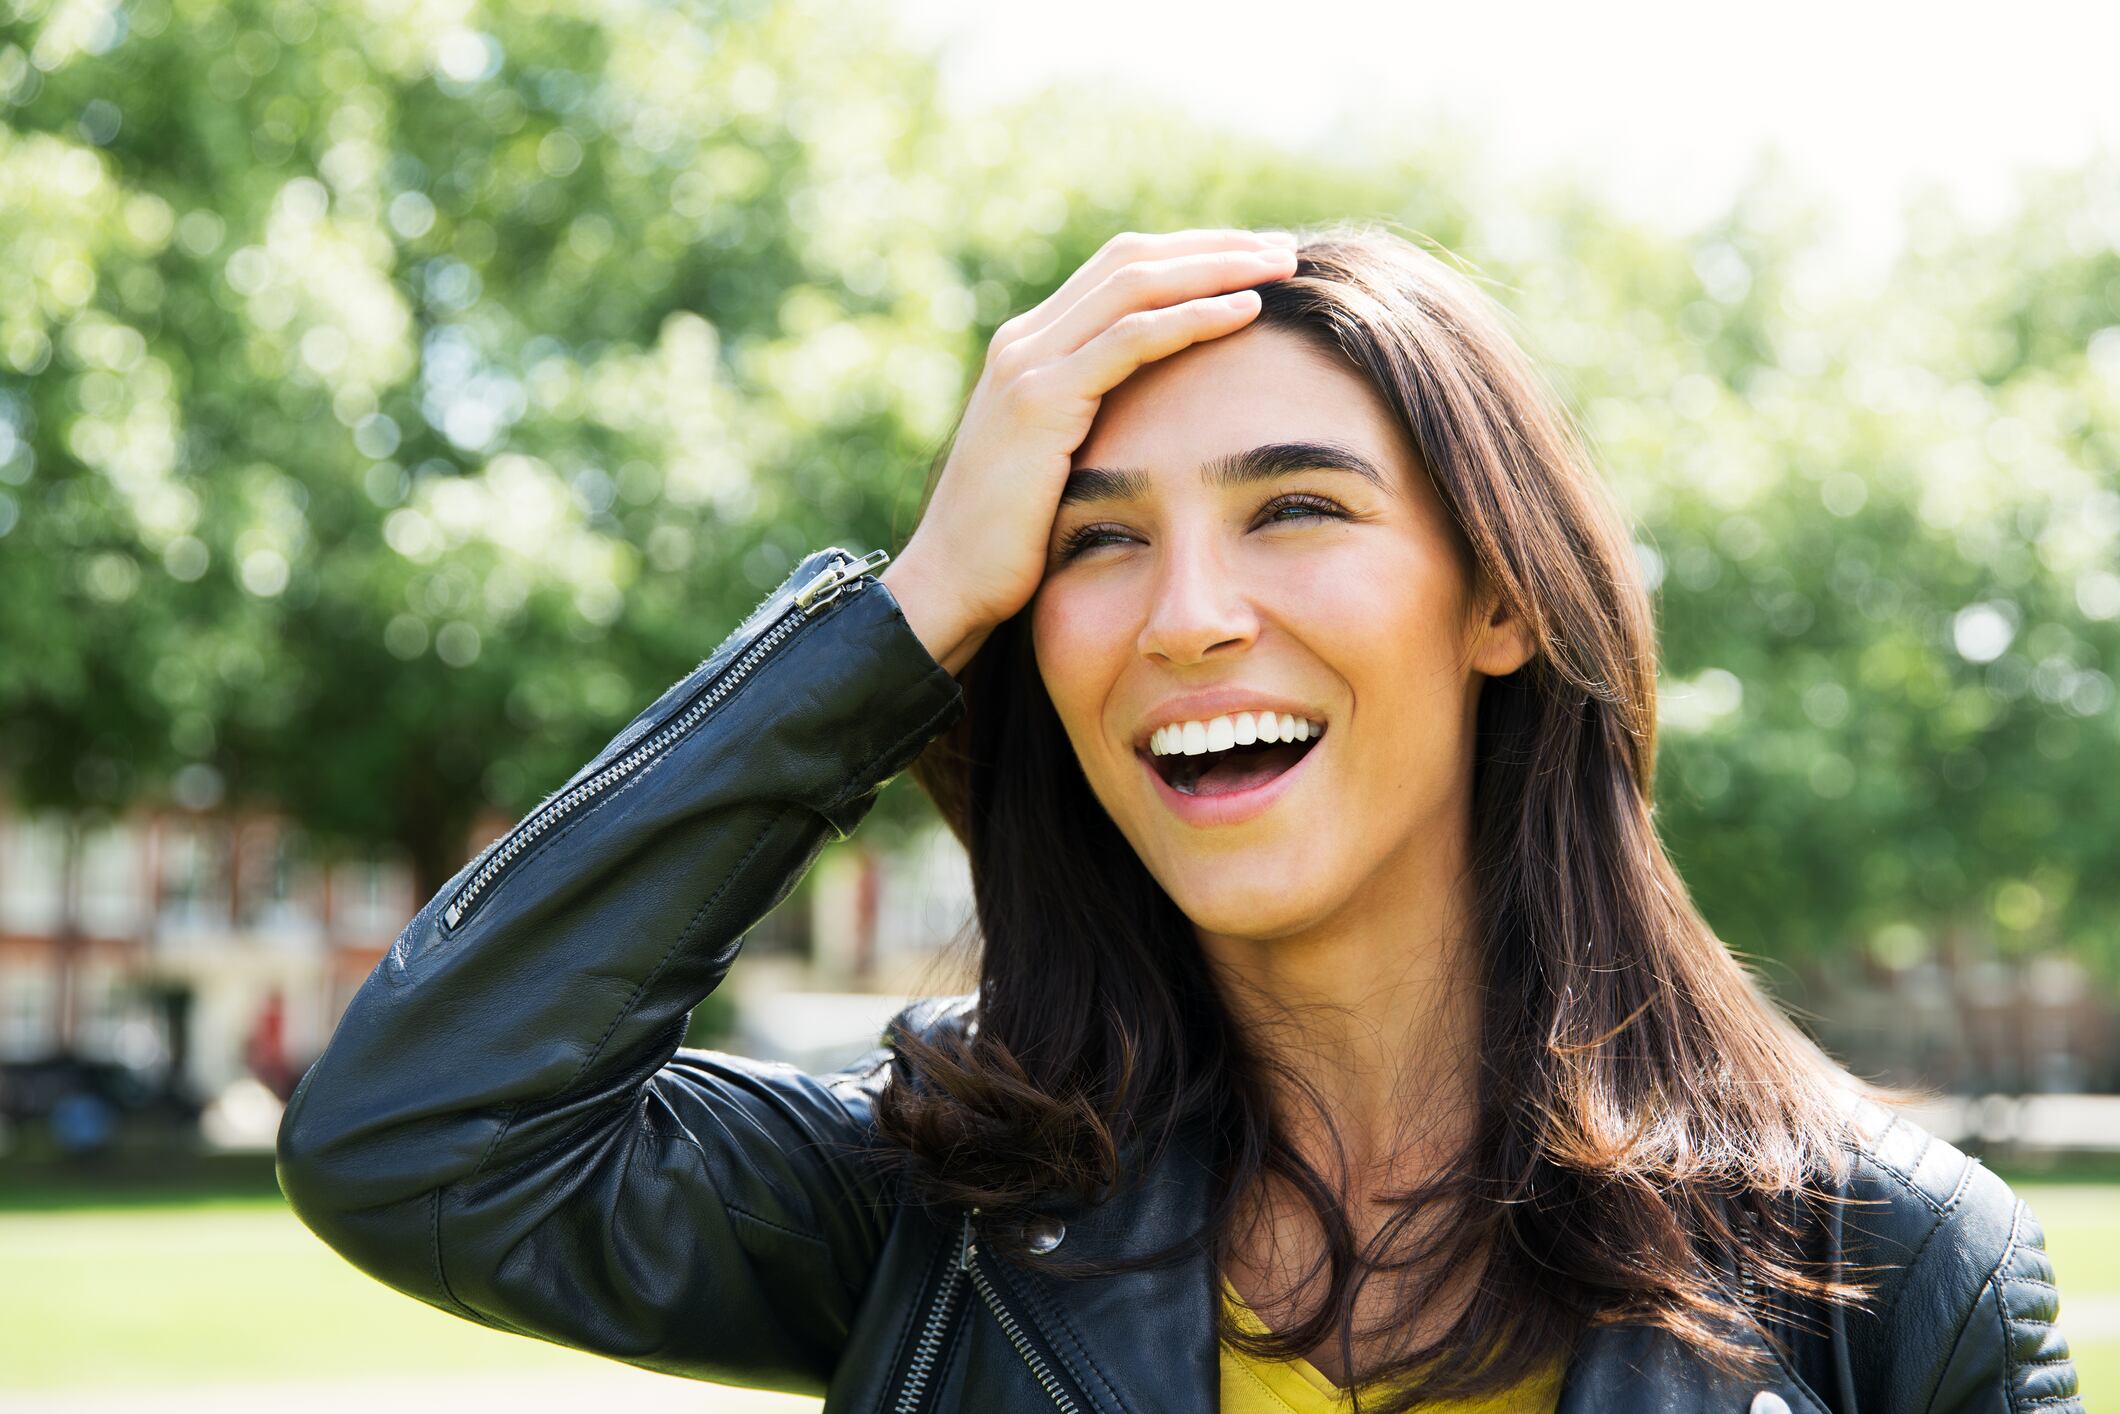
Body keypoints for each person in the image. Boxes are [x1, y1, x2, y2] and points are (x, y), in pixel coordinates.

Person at [278, 224, 2083, 1413]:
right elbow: (419, 1138)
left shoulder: (1898, 1270)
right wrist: (900, 619)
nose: (1186, 614)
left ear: (1501, 603)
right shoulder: (944, 1205)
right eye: (1093, 537)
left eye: (1295, 506)